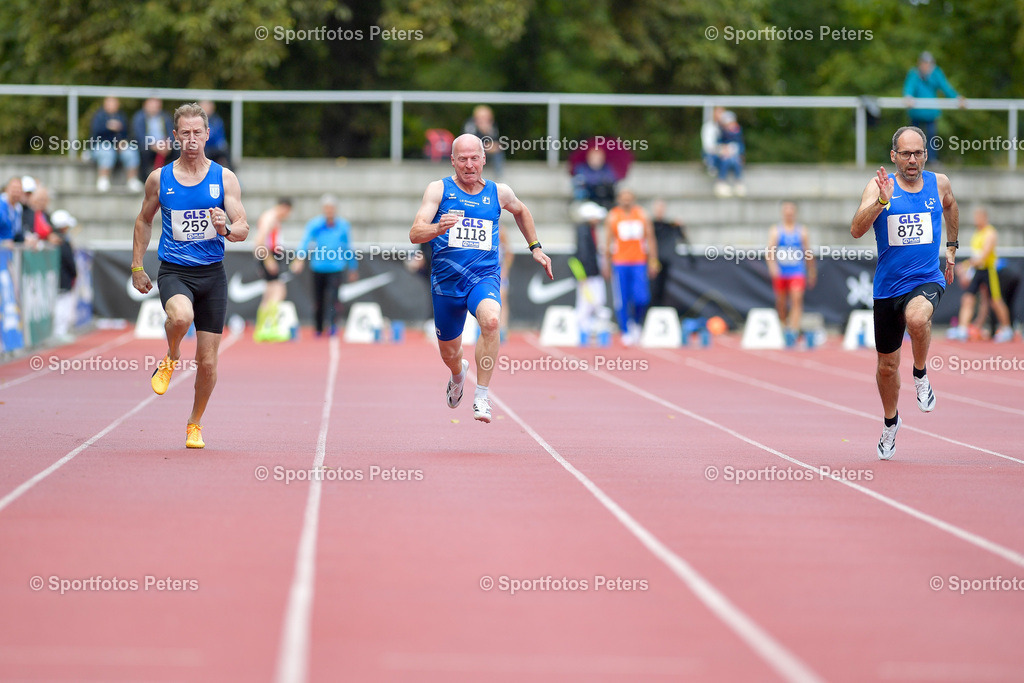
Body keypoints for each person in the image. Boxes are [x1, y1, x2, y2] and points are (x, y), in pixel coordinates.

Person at [131, 102, 250, 449]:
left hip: (212, 275)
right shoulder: (160, 178)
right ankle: (171, 355)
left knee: (208, 362)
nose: (192, 139)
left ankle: (194, 423)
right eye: (185, 133)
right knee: (181, 317)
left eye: (198, 132)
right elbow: (144, 220)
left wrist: (225, 227)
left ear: (208, 134)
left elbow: (243, 228)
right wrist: (137, 266)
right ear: (175, 136)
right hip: (175, 270)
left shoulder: (224, 178)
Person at [410, 134, 552, 423]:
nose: (469, 165)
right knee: (450, 354)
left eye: (474, 158)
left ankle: (482, 396)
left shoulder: (499, 192)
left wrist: (535, 247)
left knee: (491, 321)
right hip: (446, 284)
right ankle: (458, 374)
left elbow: (521, 211)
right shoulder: (439, 190)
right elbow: (415, 233)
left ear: (484, 159)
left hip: (483, 277)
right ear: (452, 161)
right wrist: (438, 228)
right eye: (462, 159)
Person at [851, 125, 958, 461]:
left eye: (918, 153)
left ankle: (921, 373)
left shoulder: (939, 183)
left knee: (917, 317)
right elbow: (856, 229)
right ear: (894, 156)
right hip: (888, 287)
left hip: (926, 278)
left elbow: (951, 207)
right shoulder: (879, 186)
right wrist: (881, 201)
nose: (913, 160)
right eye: (906, 154)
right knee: (886, 366)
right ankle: (890, 422)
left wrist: (952, 248)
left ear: (925, 155)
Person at [290, 194, 358, 337]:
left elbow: (348, 247)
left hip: (336, 267)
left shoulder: (343, 226)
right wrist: (299, 258)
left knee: (333, 298)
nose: (329, 211)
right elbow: (305, 242)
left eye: (331, 208)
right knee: (318, 299)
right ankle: (319, 327)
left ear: (335, 209)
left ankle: (333, 325)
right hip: (318, 267)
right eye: (327, 208)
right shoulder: (315, 224)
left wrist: (353, 267)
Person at [602, 188, 658, 345]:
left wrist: (653, 261)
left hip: (639, 262)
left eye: (629, 198)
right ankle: (625, 330)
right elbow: (608, 242)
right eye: (623, 198)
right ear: (619, 199)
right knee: (622, 299)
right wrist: (606, 264)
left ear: (633, 199)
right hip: (620, 262)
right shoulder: (613, 216)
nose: (626, 201)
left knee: (642, 297)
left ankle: (636, 323)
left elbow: (650, 239)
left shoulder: (642, 215)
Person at [952, 208, 1013, 342]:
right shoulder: (977, 233)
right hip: (978, 271)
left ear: (984, 218)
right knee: (968, 298)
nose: (976, 220)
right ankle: (962, 329)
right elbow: (976, 255)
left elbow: (984, 256)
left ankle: (1007, 329)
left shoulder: (990, 233)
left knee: (995, 300)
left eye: (978, 217)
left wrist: (965, 266)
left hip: (988, 270)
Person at [767, 201, 817, 347]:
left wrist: (811, 271)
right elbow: (770, 252)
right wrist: (773, 268)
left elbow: (807, 252)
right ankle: (784, 326)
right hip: (782, 272)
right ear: (783, 213)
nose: (789, 213)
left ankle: (793, 331)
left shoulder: (801, 231)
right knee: (781, 303)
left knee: (796, 300)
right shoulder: (776, 231)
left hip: (797, 271)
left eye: (791, 210)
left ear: (795, 213)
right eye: (786, 210)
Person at [903, 52, 965, 162]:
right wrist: (908, 97)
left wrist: (957, 98)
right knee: (913, 138)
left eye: (928, 63)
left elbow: (945, 87)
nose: (925, 66)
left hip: (931, 113)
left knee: (931, 137)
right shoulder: (914, 73)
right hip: (916, 113)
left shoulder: (936, 73)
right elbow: (909, 87)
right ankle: (911, 159)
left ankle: (931, 160)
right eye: (924, 63)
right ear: (919, 64)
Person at [252, 197, 294, 342]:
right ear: (285, 207)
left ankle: (262, 328)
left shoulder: (272, 218)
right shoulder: (270, 217)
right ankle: (270, 327)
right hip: (269, 256)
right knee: (278, 291)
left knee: (269, 293)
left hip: (271, 255)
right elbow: (259, 240)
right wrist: (268, 260)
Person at [90, 96, 142, 192]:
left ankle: (132, 180)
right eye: (109, 103)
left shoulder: (121, 117)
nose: (112, 105)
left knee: (131, 151)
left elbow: (128, 134)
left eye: (114, 103)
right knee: (107, 152)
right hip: (102, 145)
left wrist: (122, 142)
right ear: (105, 104)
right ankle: (103, 179)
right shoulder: (99, 116)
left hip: (119, 146)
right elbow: (95, 134)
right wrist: (108, 127)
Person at [650, 199, 693, 308]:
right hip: (653, 260)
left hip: (666, 259)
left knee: (664, 286)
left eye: (661, 209)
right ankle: (651, 307)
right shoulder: (650, 225)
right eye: (658, 209)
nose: (660, 211)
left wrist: (681, 226)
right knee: (652, 286)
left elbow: (683, 237)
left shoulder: (670, 225)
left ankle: (661, 306)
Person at [574, 201, 608, 341]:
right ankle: (583, 332)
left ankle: (588, 331)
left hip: (592, 273)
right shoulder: (584, 231)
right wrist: (584, 275)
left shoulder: (590, 230)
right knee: (586, 304)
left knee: (595, 302)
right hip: (589, 274)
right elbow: (584, 254)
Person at [48, 210, 79, 341]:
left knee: (63, 303)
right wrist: (74, 273)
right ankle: (59, 331)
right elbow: (68, 260)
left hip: (62, 276)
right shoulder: (61, 242)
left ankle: (61, 330)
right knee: (62, 304)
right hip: (63, 277)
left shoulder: (60, 240)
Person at [132, 98, 176, 182]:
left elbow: (172, 132)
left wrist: (168, 143)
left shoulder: (165, 117)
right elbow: (139, 136)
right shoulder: (139, 117)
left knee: (178, 149)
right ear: (145, 105)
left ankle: (174, 177)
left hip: (165, 144)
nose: (154, 108)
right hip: (148, 145)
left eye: (157, 106)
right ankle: (145, 180)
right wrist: (153, 145)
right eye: (152, 106)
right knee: (143, 151)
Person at [463, 105, 503, 177]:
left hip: (486, 152)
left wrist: (487, 133)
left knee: (498, 152)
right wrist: (484, 146)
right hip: (471, 152)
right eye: (482, 117)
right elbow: (468, 143)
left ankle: (499, 176)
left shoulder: (492, 126)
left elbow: (495, 142)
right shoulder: (470, 125)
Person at [714, 111, 745, 197]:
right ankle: (721, 182)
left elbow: (741, 146)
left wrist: (740, 154)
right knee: (725, 161)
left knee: (736, 161)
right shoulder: (721, 134)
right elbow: (718, 146)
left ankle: (738, 182)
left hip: (734, 156)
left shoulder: (738, 134)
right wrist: (723, 149)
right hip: (724, 157)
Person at [200, 101, 230, 168]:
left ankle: (231, 171)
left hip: (214, 148)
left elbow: (220, 138)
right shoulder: (197, 121)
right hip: (203, 148)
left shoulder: (217, 121)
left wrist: (221, 146)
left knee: (226, 150)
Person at [701, 107, 725, 177]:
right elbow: (708, 146)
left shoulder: (724, 127)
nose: (721, 116)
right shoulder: (708, 127)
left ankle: (722, 179)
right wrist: (720, 149)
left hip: (722, 151)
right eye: (719, 113)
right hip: (712, 152)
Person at [0, 177, 24, 247]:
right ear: (7, 189)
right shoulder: (1, 206)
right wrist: (2, 242)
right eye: (14, 189)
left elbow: (16, 232)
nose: (16, 193)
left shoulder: (18, 208)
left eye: (19, 190)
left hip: (10, 250)